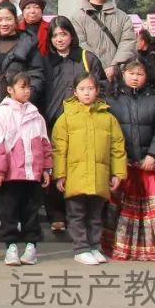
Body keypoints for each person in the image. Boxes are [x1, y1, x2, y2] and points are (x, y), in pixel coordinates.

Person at [101, 60, 155, 262]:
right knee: (121, 210)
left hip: (149, 166)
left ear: (147, 76)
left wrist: (153, 154)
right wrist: (119, 157)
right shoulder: (111, 100)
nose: (135, 78)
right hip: (123, 165)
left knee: (153, 210)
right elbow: (108, 132)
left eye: (140, 74)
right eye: (131, 73)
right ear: (122, 74)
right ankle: (120, 247)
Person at [51, 74, 127, 265]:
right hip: (75, 175)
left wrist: (118, 173)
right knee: (76, 214)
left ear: (97, 91)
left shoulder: (108, 118)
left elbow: (117, 147)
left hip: (99, 175)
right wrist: (60, 175)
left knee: (95, 214)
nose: (87, 93)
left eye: (90, 89)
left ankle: (95, 245)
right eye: (82, 89)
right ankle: (81, 248)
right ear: (75, 93)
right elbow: (58, 149)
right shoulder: (66, 118)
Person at [42, 16, 108, 233]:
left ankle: (83, 216)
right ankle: (57, 214)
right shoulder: (46, 61)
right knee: (55, 168)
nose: (59, 39)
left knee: (80, 168)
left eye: (63, 34)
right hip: (54, 122)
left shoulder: (86, 58)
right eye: (55, 35)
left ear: (71, 35)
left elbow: (103, 87)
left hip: (84, 121)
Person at [0, 71, 52, 266]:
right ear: (10, 89)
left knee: (31, 210)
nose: (27, 91)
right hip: (10, 174)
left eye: (28, 87)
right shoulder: (3, 113)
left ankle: (31, 246)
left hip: (32, 172)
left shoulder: (36, 114)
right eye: (22, 87)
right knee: (9, 211)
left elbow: (44, 143)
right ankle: (11, 247)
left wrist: (47, 168)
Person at [70, 0, 136, 82]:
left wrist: (114, 66)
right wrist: (98, 67)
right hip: (89, 77)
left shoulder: (122, 17)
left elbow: (128, 42)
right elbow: (80, 44)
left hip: (117, 77)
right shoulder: (77, 18)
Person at [0, 0, 46, 108]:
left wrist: (25, 99)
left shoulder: (28, 42)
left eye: (8, 19)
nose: (4, 23)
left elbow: (36, 75)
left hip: (21, 104)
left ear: (15, 20)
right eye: (0, 20)